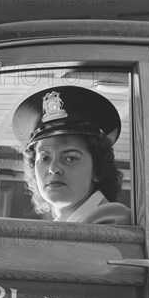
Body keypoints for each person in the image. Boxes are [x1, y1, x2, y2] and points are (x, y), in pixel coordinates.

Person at [12, 86, 131, 224]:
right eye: (45, 158)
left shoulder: (112, 220)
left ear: (98, 169)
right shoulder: (65, 226)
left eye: (70, 158)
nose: (53, 168)